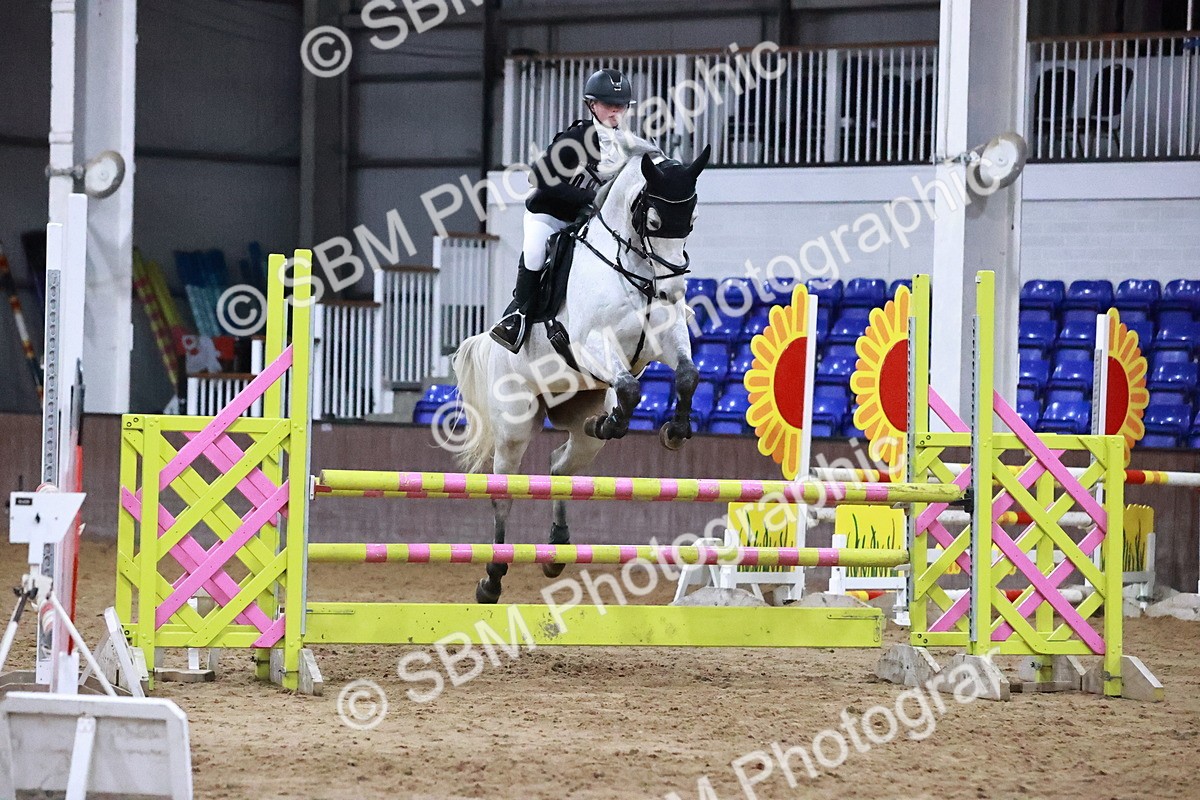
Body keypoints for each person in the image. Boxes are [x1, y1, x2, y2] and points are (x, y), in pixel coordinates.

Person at [489, 68, 635, 352]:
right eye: (608, 104)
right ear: (592, 105)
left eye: (621, 105)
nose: (615, 110)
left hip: (587, 223)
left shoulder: (626, 146)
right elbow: (539, 178)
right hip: (549, 214)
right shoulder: (575, 138)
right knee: (534, 253)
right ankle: (516, 317)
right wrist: (588, 197)